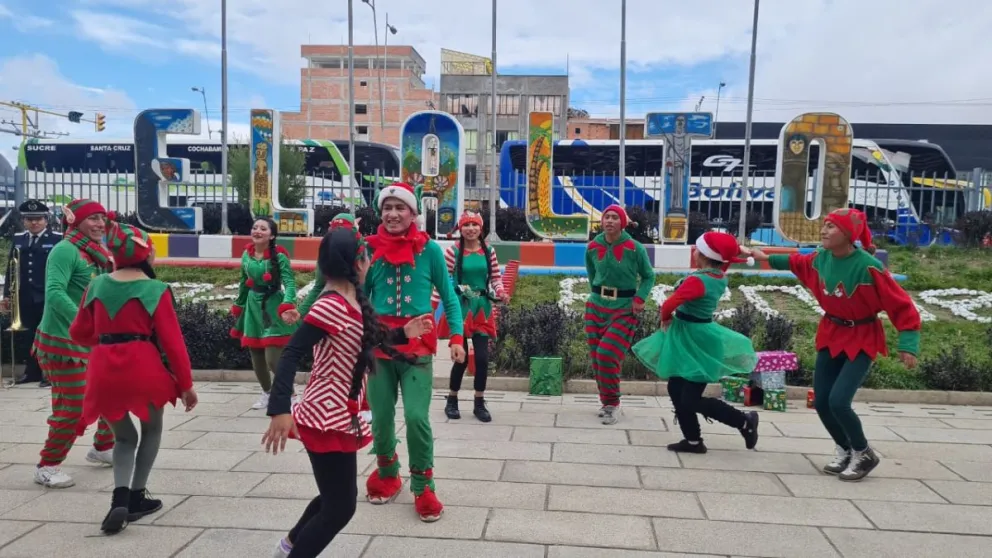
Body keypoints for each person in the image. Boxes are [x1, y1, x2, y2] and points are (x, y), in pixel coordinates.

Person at [262, 215, 433, 558]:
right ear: (358, 262)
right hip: (325, 416)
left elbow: (362, 338)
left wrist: (403, 333)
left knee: (333, 499)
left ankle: (288, 547)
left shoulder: (349, 300)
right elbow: (293, 350)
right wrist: (280, 408)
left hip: (339, 413)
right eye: (368, 256)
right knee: (341, 508)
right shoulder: (329, 305)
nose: (370, 261)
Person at [749, 208, 921, 481]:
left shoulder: (868, 267)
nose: (824, 230)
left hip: (863, 336)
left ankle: (864, 453)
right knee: (821, 401)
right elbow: (798, 262)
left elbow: (900, 304)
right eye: (824, 225)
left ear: (848, 234)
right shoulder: (821, 258)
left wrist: (908, 343)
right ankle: (845, 447)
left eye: (831, 226)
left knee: (839, 401)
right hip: (831, 333)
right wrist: (765, 258)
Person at [70, 223, 198, 534]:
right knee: (151, 429)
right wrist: (186, 384)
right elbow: (173, 343)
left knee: (124, 437)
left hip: (103, 367)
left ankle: (119, 500)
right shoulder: (155, 289)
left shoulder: (97, 285)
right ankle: (138, 496)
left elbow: (78, 333)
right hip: (143, 366)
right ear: (146, 254)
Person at [363, 182, 465, 522]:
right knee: (380, 416)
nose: (393, 214)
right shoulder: (368, 250)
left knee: (417, 417)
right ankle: (388, 473)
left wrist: (456, 337)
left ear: (413, 213)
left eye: (400, 208)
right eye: (387, 208)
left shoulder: (430, 250)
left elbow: (449, 297)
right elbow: (359, 301)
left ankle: (423, 485)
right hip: (380, 345)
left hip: (418, 346)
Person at [633, 231, 761, 454]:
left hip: (694, 340)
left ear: (703, 254)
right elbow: (726, 258)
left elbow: (668, 305)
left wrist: (665, 320)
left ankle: (744, 421)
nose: (694, 250)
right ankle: (693, 440)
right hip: (691, 337)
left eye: (697, 248)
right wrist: (738, 250)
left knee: (689, 399)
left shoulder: (698, 280)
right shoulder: (718, 274)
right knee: (676, 388)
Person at [31, 199, 116, 488]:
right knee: (74, 407)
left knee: (113, 393)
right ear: (76, 221)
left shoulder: (97, 251)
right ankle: (47, 465)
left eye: (102, 218)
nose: (99, 224)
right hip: (63, 344)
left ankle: (103, 447)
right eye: (92, 218)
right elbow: (54, 294)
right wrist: (85, 323)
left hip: (94, 341)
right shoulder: (65, 250)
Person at [584, 205, 654, 425]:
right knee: (597, 358)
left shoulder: (635, 248)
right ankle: (606, 403)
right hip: (595, 307)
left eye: (615, 217)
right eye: (607, 217)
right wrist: (596, 296)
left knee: (607, 354)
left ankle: (613, 403)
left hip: (624, 309)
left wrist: (640, 298)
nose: (610, 221)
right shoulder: (593, 246)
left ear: (623, 222)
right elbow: (591, 274)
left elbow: (648, 276)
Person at [442, 211, 509, 423]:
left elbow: (496, 278)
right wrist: (459, 291)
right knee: (460, 359)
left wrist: (500, 292)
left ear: (481, 228)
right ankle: (452, 399)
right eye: (466, 225)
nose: (470, 228)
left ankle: (479, 402)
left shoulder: (489, 252)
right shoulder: (453, 252)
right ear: (460, 229)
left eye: (474, 224)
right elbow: (444, 280)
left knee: (481, 358)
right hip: (460, 308)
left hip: (482, 308)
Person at [231, 217, 301, 410]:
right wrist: (239, 305)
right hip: (253, 306)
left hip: (272, 306)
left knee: (273, 358)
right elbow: (244, 283)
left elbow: (290, 283)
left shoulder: (279, 256)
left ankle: (291, 395)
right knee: (256, 354)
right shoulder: (247, 255)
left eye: (263, 228)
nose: (258, 231)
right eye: (255, 227)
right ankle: (267, 393)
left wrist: (287, 304)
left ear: (272, 235)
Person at [3, 200, 60, 387]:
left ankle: (49, 373)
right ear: (24, 220)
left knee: (47, 334)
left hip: (47, 294)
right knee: (28, 336)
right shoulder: (19, 239)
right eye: (30, 219)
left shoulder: (57, 239)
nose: (34, 223)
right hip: (24, 295)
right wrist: (7, 296)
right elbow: (11, 268)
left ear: (46, 220)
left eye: (38, 219)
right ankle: (32, 372)